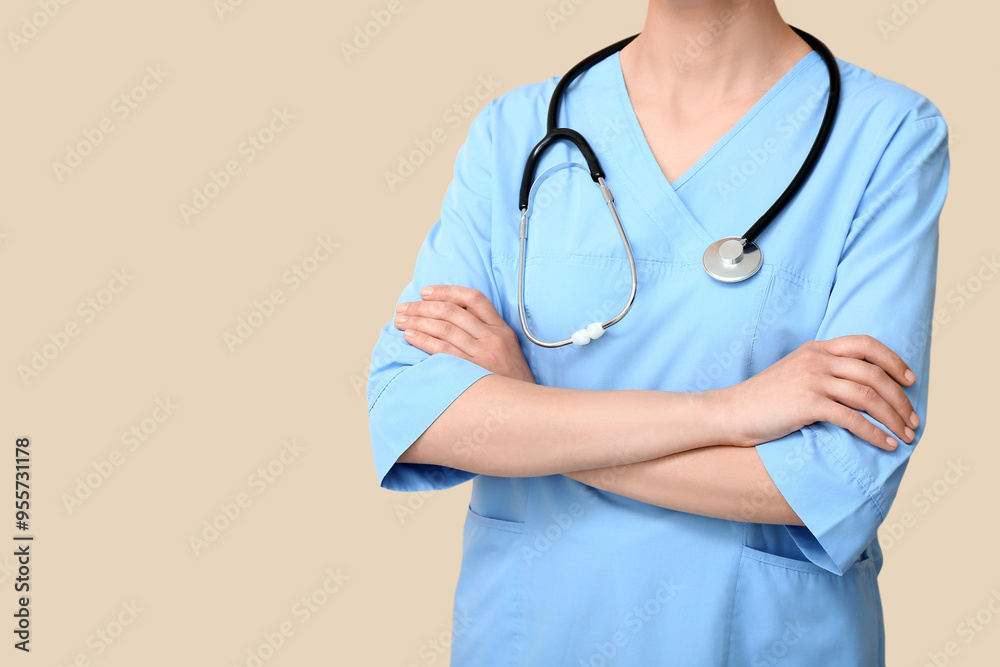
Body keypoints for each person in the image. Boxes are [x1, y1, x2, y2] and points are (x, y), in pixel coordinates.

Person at [367, 0, 950, 664]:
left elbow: (836, 477)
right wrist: (727, 412)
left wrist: (528, 411)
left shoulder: (886, 136)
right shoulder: (514, 133)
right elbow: (416, 412)